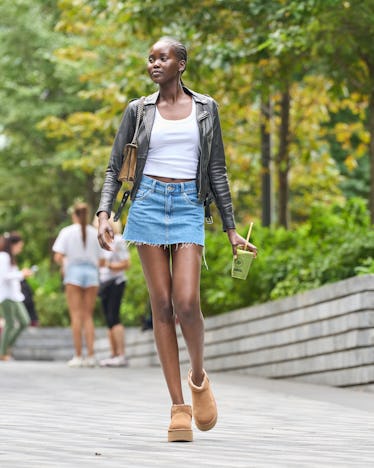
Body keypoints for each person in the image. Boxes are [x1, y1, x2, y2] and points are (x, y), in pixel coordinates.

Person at [96, 37, 257, 442]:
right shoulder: (138, 109)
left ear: (181, 64)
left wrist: (231, 229)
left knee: (187, 302)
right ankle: (178, 408)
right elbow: (115, 166)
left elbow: (217, 169)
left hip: (188, 205)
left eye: (163, 57)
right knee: (162, 306)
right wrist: (104, 212)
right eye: (150, 57)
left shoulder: (206, 108)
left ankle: (198, 379)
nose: (154, 63)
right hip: (148, 204)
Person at [53, 202, 104, 368]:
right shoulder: (94, 233)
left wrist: (65, 263)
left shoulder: (66, 232)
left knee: (76, 316)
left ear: (74, 215)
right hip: (91, 273)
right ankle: (91, 356)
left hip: (73, 273)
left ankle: (78, 355)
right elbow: (102, 260)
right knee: (87, 316)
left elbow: (58, 256)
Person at [94, 213, 130, 367]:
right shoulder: (99, 242)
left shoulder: (119, 240)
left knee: (114, 317)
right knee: (109, 320)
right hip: (104, 283)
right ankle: (113, 354)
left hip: (116, 281)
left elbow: (126, 263)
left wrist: (108, 265)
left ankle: (121, 355)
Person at [0, 232, 32, 361]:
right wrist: (21, 274)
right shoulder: (3, 257)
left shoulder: (11, 258)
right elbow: (4, 276)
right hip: (5, 296)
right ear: (13, 244)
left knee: (25, 321)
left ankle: (6, 347)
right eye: (19, 246)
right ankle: (2, 352)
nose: (20, 248)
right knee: (10, 324)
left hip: (15, 296)